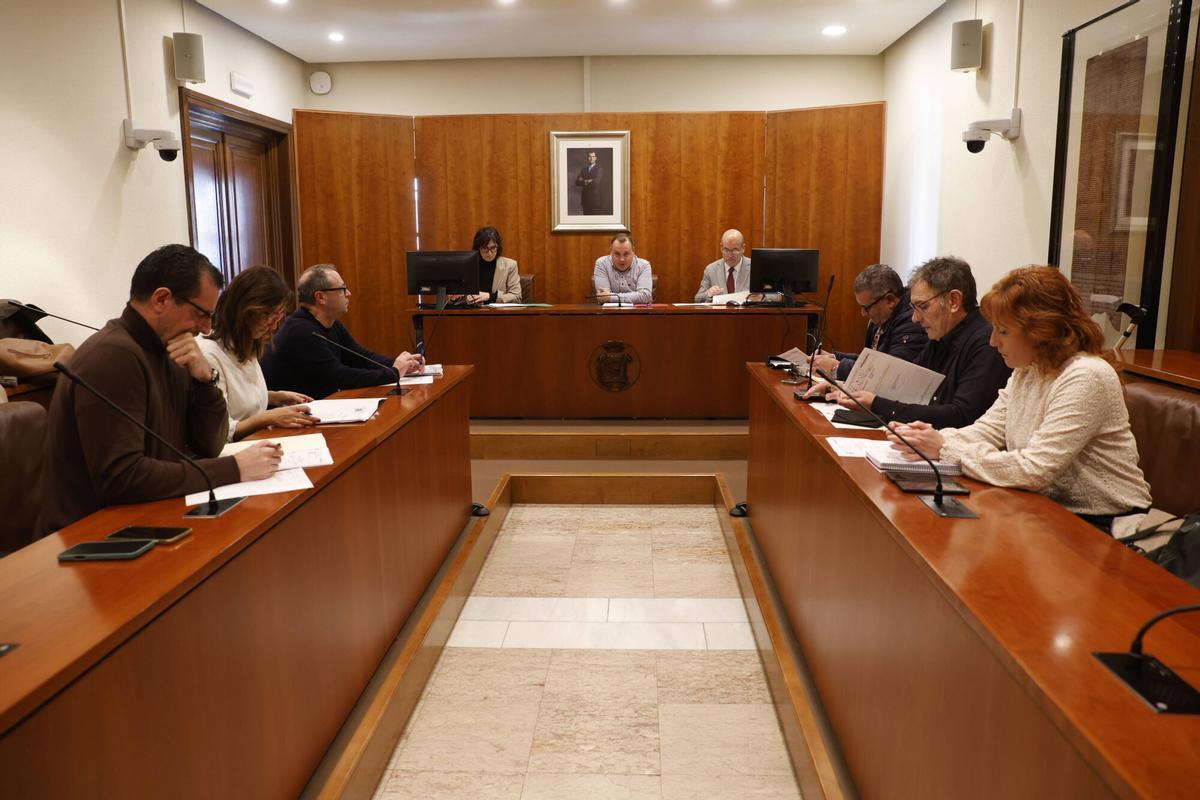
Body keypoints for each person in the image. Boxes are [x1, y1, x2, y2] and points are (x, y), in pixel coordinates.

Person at [885, 266, 1152, 535]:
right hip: (1045, 509)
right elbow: (987, 430)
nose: (992, 342)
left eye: (1002, 331)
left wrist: (944, 448)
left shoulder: (1086, 376)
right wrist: (929, 439)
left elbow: (1033, 470)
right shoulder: (1028, 370)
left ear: (1040, 330)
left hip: (1107, 524)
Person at [38, 245, 282, 537]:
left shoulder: (173, 349)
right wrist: (234, 468)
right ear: (162, 299)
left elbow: (209, 445)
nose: (205, 329)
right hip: (91, 535)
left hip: (149, 514)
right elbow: (122, 478)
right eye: (201, 314)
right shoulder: (113, 357)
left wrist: (205, 379)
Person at [831, 256, 1010, 428]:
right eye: (913, 308)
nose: (915, 319)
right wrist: (846, 388)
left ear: (953, 301)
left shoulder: (987, 342)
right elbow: (906, 384)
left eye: (923, 307)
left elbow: (962, 415)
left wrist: (877, 404)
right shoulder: (941, 334)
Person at [261, 264, 424, 399]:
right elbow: (340, 376)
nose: (349, 294)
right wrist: (393, 373)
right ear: (321, 297)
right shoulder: (301, 331)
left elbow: (361, 356)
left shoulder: (331, 324)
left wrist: (403, 364)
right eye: (342, 289)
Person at [198, 266, 318, 441]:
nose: (273, 325)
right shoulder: (209, 354)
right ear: (244, 310)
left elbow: (235, 398)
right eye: (268, 315)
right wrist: (269, 417)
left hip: (258, 442)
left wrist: (273, 397)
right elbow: (224, 431)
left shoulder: (247, 342)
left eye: (278, 317)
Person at [806, 263, 926, 387]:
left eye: (866, 308)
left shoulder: (912, 323)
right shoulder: (883, 318)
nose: (863, 313)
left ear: (889, 300)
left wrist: (836, 367)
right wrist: (835, 357)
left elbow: (889, 375)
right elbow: (871, 363)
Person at [460, 226, 521, 305]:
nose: (489, 253)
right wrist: (459, 298)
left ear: (498, 247)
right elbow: (456, 298)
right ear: (478, 248)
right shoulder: (467, 266)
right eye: (485, 248)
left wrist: (490, 296)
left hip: (499, 314)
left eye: (493, 248)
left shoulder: (510, 266)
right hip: (472, 313)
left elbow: (517, 297)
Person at [593, 232, 653, 305]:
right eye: (617, 254)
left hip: (637, 314)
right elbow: (603, 297)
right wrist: (636, 297)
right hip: (609, 314)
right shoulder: (602, 264)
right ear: (611, 251)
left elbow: (645, 296)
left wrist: (611, 297)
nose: (622, 259)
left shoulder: (644, 265)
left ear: (633, 251)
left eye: (626, 254)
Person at [694, 229, 751, 302]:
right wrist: (708, 294)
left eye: (735, 250)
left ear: (743, 248)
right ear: (721, 248)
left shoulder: (755, 268)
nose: (730, 255)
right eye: (726, 250)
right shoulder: (711, 270)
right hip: (720, 313)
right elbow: (697, 299)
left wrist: (760, 297)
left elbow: (770, 297)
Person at [575, 150, 607, 215]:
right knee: (586, 220)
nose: (591, 158)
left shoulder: (599, 169)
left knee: (594, 220)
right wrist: (588, 181)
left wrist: (583, 180)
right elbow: (577, 182)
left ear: (596, 158)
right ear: (588, 158)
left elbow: (596, 182)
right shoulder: (583, 169)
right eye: (590, 156)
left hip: (594, 200)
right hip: (585, 199)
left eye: (593, 156)